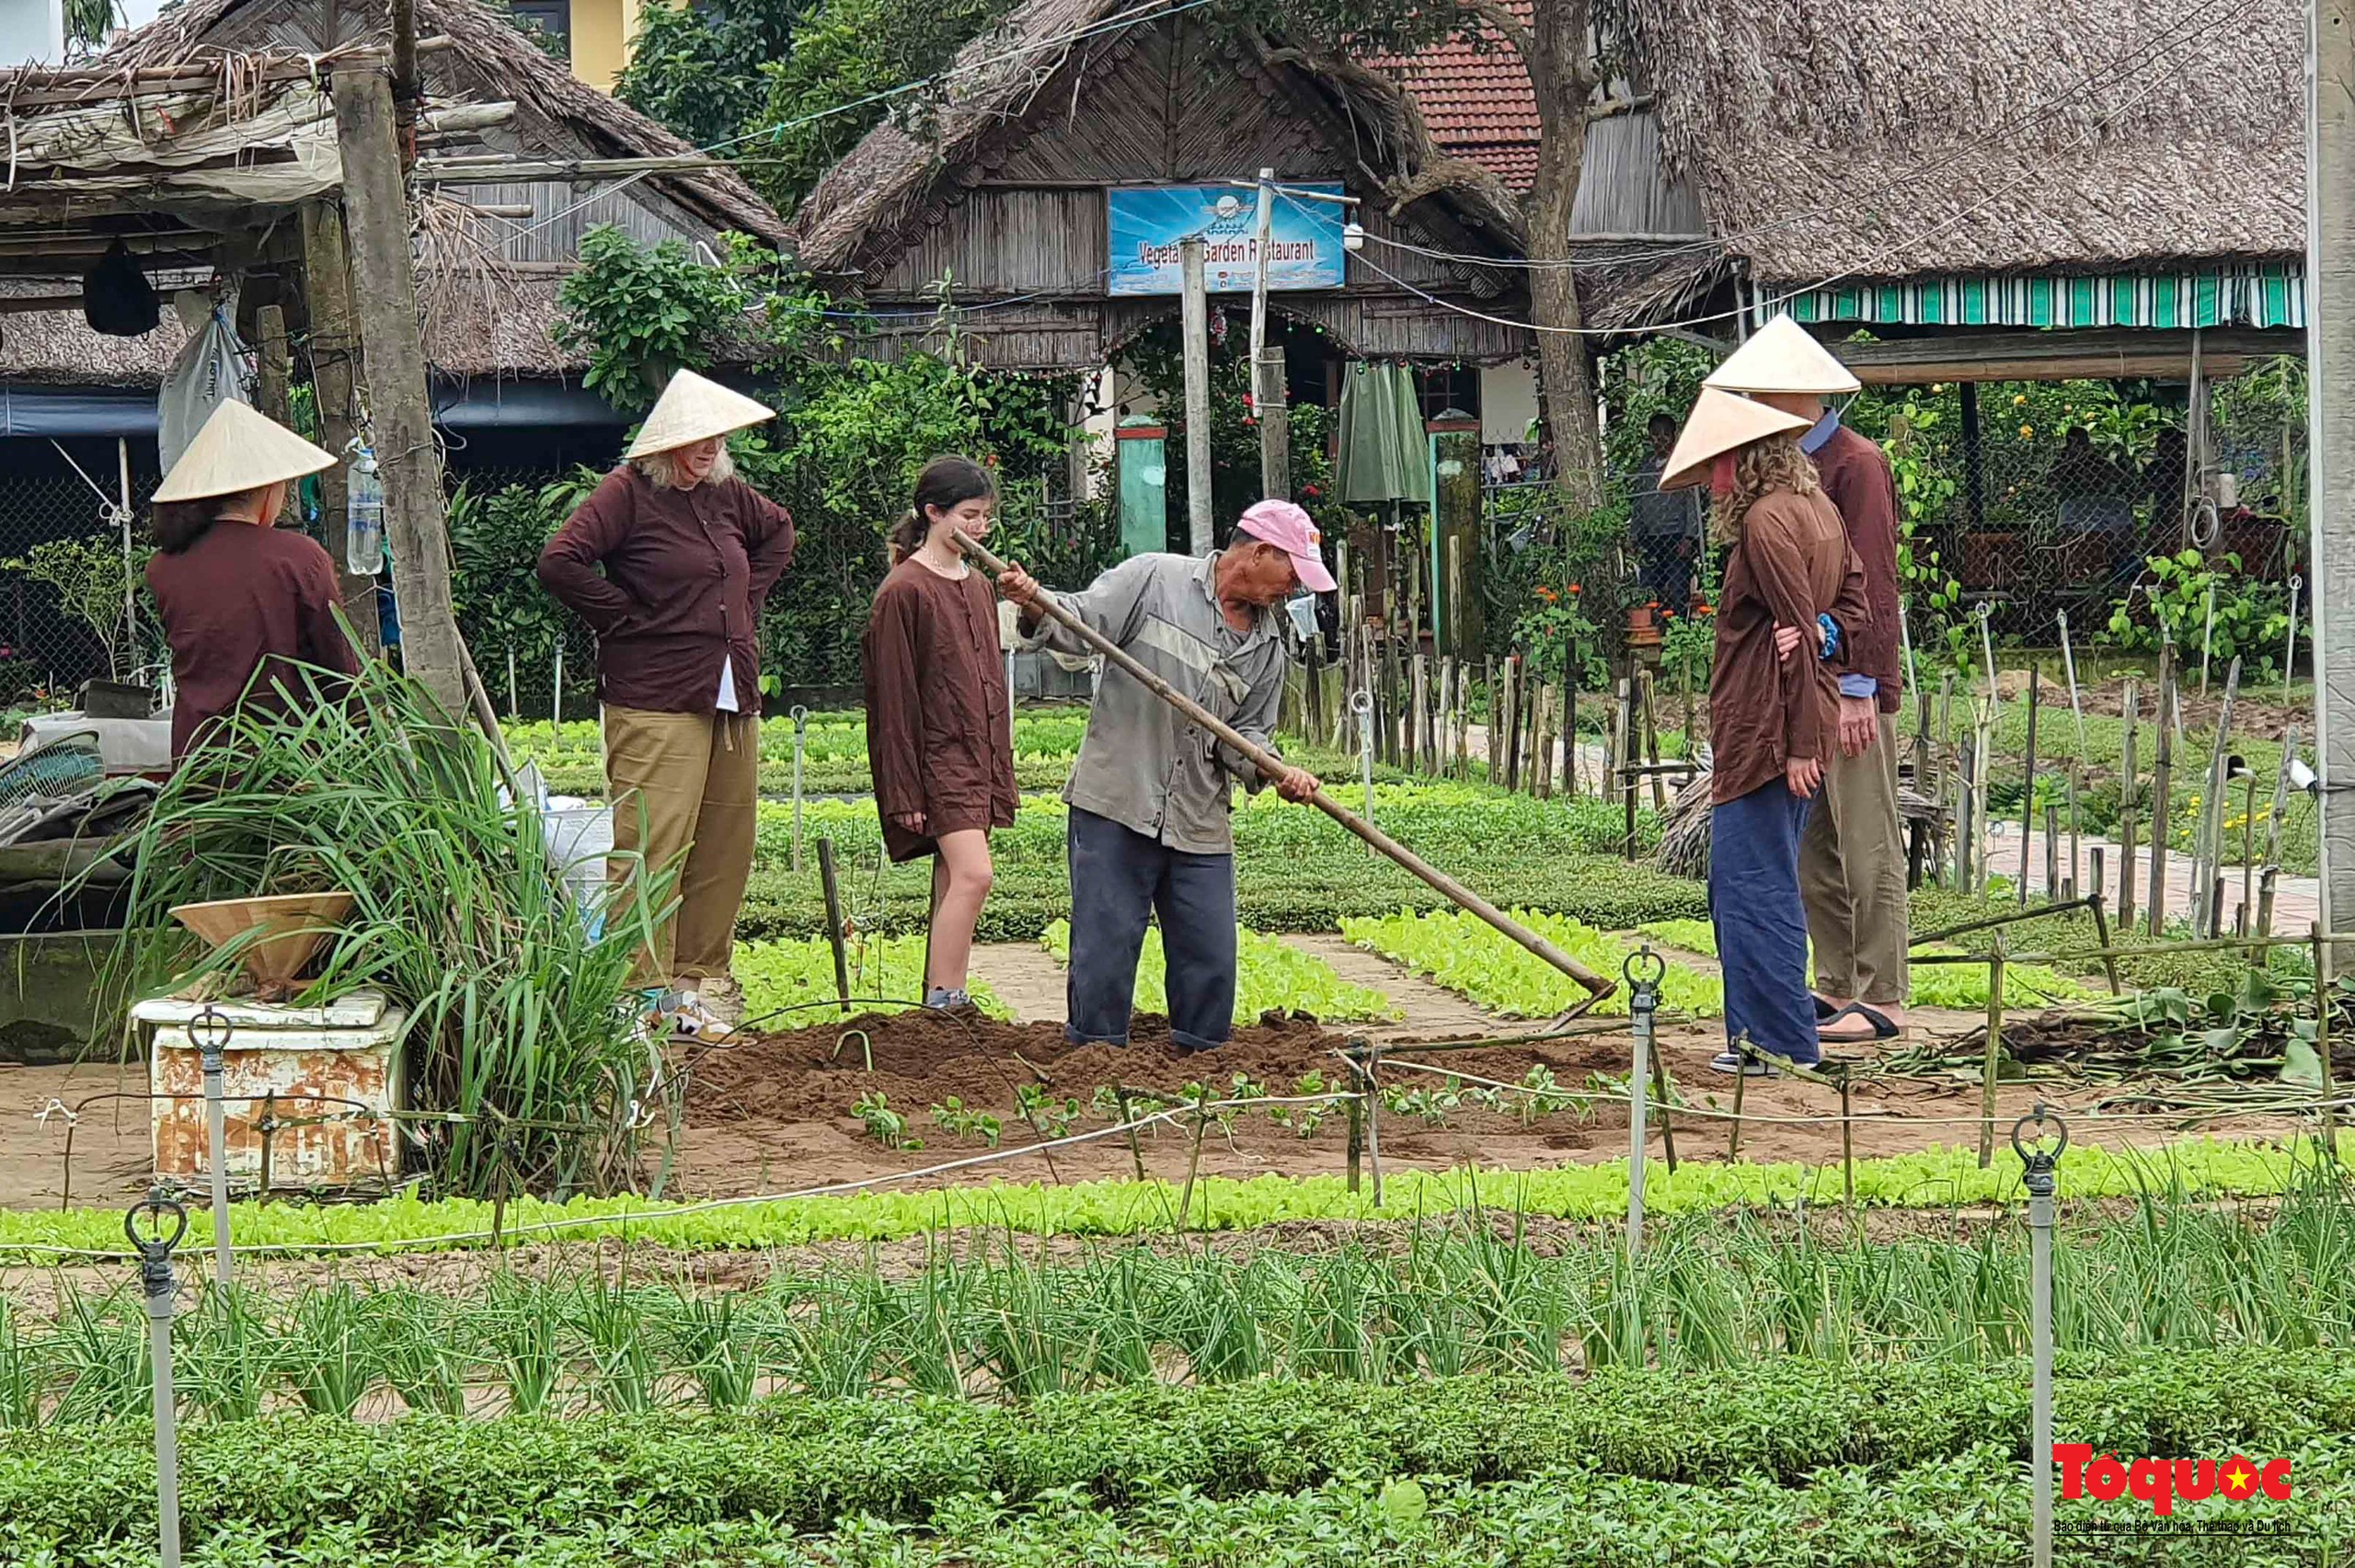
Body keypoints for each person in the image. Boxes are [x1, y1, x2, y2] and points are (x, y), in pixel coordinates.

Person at [994, 501, 1330, 1051]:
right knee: (1105, 945)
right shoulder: (1155, 579)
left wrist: (1276, 772)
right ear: (1260, 552)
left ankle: (1203, 1059)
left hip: (1198, 816)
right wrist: (1034, 605)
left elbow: (1247, 737)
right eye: (1291, 572)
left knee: (1210, 953)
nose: (1292, 588)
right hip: (1119, 799)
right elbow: (1080, 625)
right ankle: (1096, 1059)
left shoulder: (1270, 645)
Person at [537, 370, 796, 1039]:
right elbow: (560, 561)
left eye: (716, 436)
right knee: (654, 843)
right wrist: (622, 615)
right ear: (666, 444)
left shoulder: (727, 496)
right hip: (654, 694)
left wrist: (743, 603)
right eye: (696, 437)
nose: (709, 447)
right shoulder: (626, 494)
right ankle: (638, 991)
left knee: (723, 841)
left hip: (729, 691)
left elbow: (780, 533)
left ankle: (686, 986)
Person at [1706, 315, 1909, 1043]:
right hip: (1809, 686)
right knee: (1814, 843)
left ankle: (1882, 991)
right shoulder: (1795, 483)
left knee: (1865, 838)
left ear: (1795, 398)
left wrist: (1857, 684)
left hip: (1846, 685)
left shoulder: (1855, 465)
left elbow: (1873, 587)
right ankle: (1833, 981)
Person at [1660, 388, 1868, 1076]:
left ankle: (1771, 1041)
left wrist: (1805, 742)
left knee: (1752, 887)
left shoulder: (1767, 523)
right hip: (1787, 721)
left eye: (1720, 465)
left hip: (1769, 728)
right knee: (1750, 881)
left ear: (1747, 460)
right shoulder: (1821, 512)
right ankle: (1772, 1030)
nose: (1714, 482)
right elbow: (1850, 611)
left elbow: (1803, 637)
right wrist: (1822, 628)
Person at [862, 456, 1019, 1013]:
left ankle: (944, 997)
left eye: (985, 518)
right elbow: (893, 701)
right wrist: (904, 790)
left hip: (979, 757)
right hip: (937, 761)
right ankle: (945, 995)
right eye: (969, 516)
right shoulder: (903, 591)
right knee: (977, 876)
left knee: (954, 878)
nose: (979, 528)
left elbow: (988, 683)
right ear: (933, 513)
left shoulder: (978, 585)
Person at [144, 400, 362, 761]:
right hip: (281, 769)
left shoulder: (164, 565)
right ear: (267, 489)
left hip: (196, 761)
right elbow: (338, 667)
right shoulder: (299, 558)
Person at [1629, 411, 1704, 612]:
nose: (1659, 440)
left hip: (1676, 537)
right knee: (1651, 590)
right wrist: (1634, 535)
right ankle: (1656, 630)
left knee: (1678, 588)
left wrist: (1689, 538)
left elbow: (1692, 502)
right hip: (1650, 537)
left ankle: (1681, 630)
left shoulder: (1682, 465)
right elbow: (1639, 502)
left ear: (1674, 435)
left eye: (1665, 435)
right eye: (1655, 435)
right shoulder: (1645, 467)